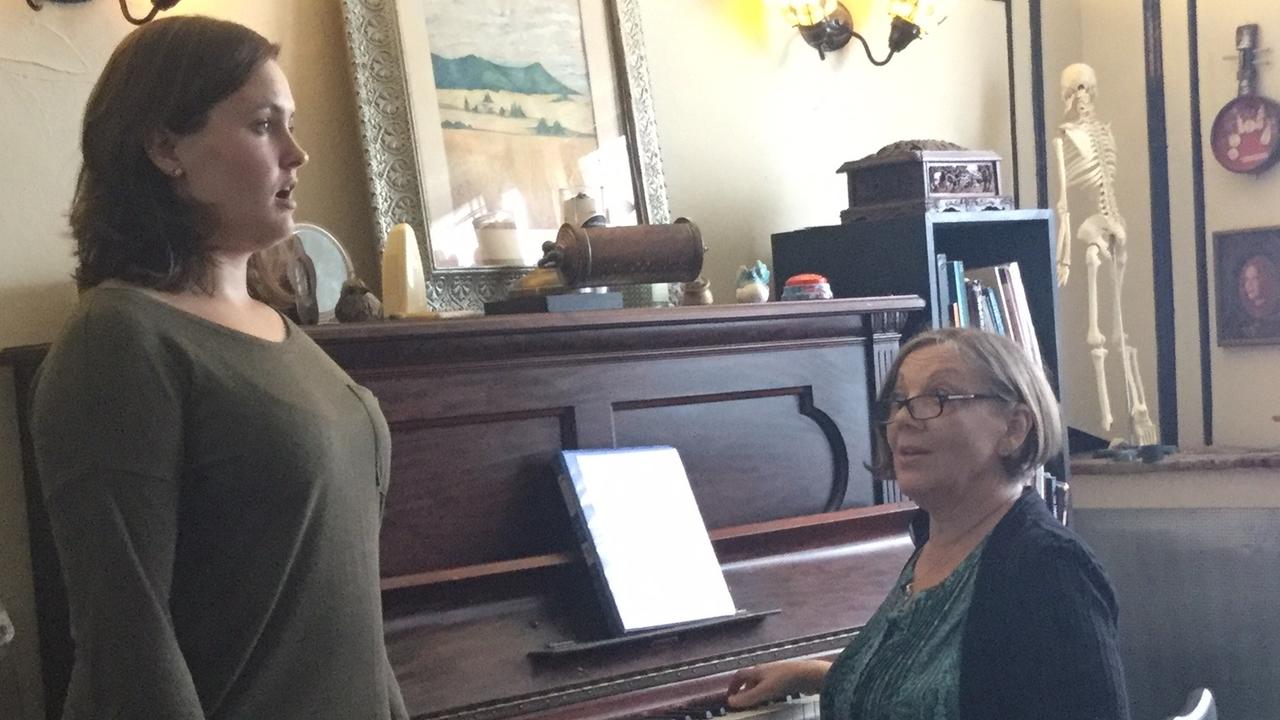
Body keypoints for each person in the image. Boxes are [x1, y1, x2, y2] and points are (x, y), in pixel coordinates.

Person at [31, 17, 407, 719]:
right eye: (263, 125)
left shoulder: (286, 332)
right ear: (164, 147)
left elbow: (347, 619)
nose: (297, 153)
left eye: (291, 124)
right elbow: (128, 645)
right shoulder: (117, 340)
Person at [726, 328, 1129, 720]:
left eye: (938, 397)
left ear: (1014, 428)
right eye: (900, 401)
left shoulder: (1050, 568)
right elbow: (945, 684)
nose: (904, 418)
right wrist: (815, 675)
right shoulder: (932, 548)